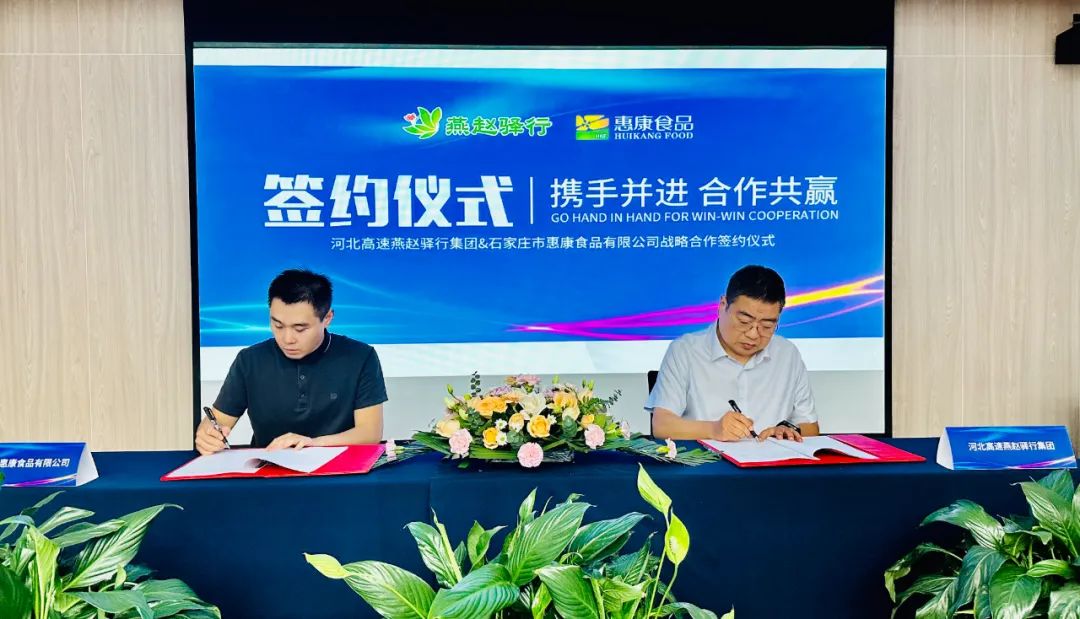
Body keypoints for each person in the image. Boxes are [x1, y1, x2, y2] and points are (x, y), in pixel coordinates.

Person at [195, 269, 387, 455]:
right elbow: (217, 422)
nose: (287, 339)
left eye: (300, 329)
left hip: (340, 469)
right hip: (269, 470)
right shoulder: (249, 360)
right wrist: (207, 436)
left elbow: (369, 433)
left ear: (327, 317)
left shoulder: (361, 356)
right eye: (278, 325)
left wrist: (313, 444)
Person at [646, 264, 819, 442]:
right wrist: (714, 429)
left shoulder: (788, 354)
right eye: (744, 321)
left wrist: (788, 430)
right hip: (707, 458)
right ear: (722, 306)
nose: (753, 334)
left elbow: (810, 427)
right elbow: (662, 426)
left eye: (767, 326)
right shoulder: (685, 351)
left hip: (773, 459)